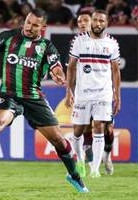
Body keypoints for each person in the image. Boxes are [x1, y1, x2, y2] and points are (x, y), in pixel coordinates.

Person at [0, 8, 89, 193]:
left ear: (43, 27)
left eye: (35, 25)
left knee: (59, 141)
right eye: (28, 22)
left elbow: (56, 66)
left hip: (33, 98)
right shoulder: (9, 37)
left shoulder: (47, 46)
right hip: (8, 95)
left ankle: (74, 176)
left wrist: (58, 75)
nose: (29, 27)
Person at [65, 9, 121, 178]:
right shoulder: (79, 41)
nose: (97, 24)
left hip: (103, 93)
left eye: (101, 21)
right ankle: (80, 160)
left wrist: (117, 95)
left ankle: (95, 169)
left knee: (101, 127)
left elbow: (116, 71)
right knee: (78, 131)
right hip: (83, 93)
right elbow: (71, 67)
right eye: (95, 20)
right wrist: (69, 91)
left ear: (106, 23)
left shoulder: (112, 43)